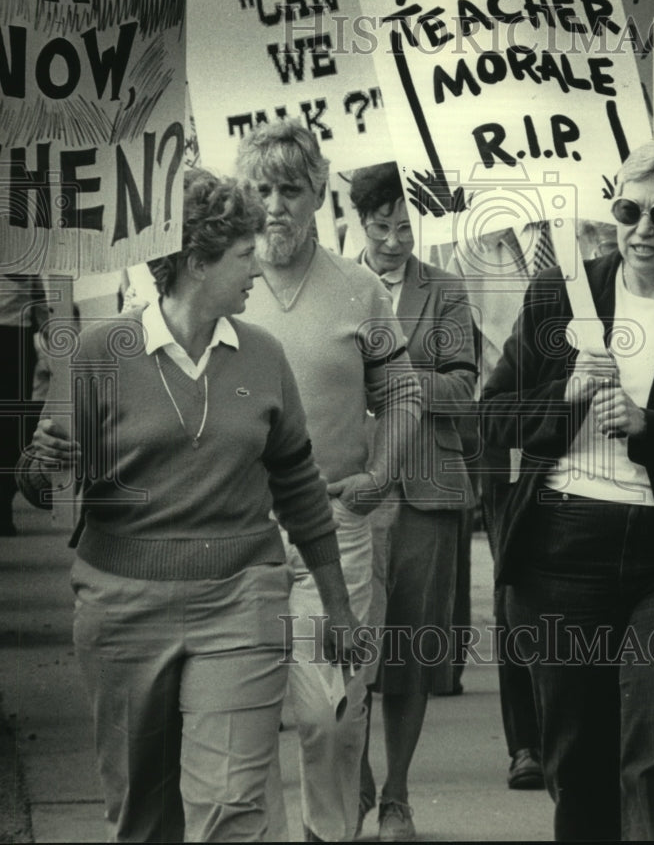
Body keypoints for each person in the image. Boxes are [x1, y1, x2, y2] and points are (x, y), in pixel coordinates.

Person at [15, 168, 359, 843]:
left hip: (240, 599)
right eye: (241, 255)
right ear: (198, 262)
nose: (256, 271)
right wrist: (39, 463)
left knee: (232, 803)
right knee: (144, 813)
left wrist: (337, 604)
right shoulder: (97, 352)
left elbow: (298, 484)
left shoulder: (262, 355)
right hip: (122, 607)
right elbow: (39, 480)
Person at [480, 138, 654, 841]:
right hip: (562, 551)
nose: (641, 229)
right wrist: (567, 392)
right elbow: (494, 417)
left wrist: (650, 426)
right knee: (576, 762)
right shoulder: (561, 293)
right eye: (626, 209)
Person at [236, 121, 421, 842]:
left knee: (330, 712)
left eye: (290, 189)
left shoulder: (358, 288)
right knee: (243, 713)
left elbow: (401, 392)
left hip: (336, 529)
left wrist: (380, 472)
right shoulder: (221, 277)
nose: (275, 205)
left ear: (319, 192)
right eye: (260, 190)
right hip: (238, 529)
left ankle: (329, 832)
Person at [348, 162, 477, 841]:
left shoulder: (445, 290)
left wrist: (393, 381)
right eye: (381, 226)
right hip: (354, 492)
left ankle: (396, 794)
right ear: (358, 223)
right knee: (350, 653)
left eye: (405, 226)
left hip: (425, 493)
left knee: (412, 650)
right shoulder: (335, 287)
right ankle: (356, 780)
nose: (395, 240)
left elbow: (464, 387)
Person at [444, 221, 553, 790]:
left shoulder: (592, 232)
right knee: (515, 580)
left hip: (583, 429)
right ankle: (526, 742)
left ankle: (573, 724)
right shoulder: (469, 248)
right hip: (504, 431)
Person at [0, 273, 47, 535]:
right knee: (11, 425)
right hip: (15, 336)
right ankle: (3, 506)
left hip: (16, 333)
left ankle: (3, 505)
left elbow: (37, 295)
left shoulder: (22, 244)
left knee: (12, 425)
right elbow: (37, 297)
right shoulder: (22, 243)